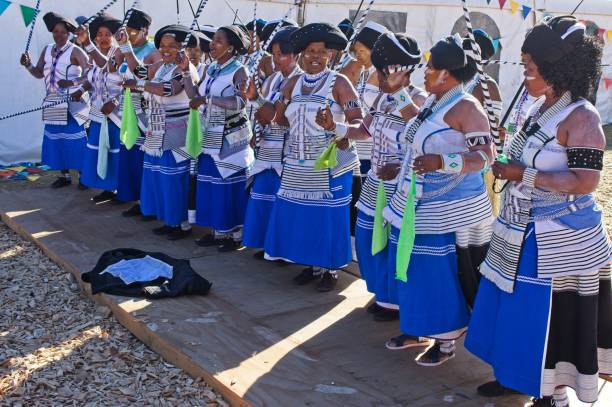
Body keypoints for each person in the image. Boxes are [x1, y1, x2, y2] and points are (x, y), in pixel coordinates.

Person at [465, 16, 612, 407]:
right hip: (518, 227)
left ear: (556, 66)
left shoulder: (581, 116)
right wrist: (510, 156)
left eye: (530, 64)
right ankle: (514, 375)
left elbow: (585, 181)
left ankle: (550, 392)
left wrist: (522, 173)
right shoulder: (540, 107)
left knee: (543, 319)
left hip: (557, 235)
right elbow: (532, 157)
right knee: (511, 309)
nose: (525, 69)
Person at [382, 34, 494, 365]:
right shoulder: (435, 102)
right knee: (413, 267)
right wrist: (396, 90)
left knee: (437, 272)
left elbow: (486, 156)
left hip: (450, 207)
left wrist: (442, 163)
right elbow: (415, 124)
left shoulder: (467, 107)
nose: (425, 74)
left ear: (446, 73)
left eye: (430, 69)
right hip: (416, 199)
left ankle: (445, 340)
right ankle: (417, 325)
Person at [263, 23, 362, 292]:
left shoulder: (340, 83)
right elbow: (280, 119)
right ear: (300, 55)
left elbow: (361, 126)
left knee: (328, 219)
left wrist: (334, 127)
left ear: (330, 55)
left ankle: (329, 270)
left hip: (331, 164)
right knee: (302, 216)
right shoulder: (292, 83)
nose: (314, 57)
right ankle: (310, 263)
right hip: (297, 161)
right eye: (309, 52)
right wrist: (256, 101)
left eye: (320, 52)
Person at [352, 32, 428, 324]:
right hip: (375, 180)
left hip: (401, 185)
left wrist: (399, 167)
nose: (378, 75)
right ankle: (381, 293)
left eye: (383, 70)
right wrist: (334, 128)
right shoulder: (382, 99)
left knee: (393, 243)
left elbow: (422, 139)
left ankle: (394, 302)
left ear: (402, 72)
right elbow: (364, 132)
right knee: (368, 237)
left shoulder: (420, 100)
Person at [122, 24, 200, 240]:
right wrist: (125, 48)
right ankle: (168, 220)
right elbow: (139, 71)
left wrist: (138, 84)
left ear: (181, 49)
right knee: (158, 177)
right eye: (163, 46)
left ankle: (181, 224)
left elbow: (169, 90)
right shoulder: (162, 65)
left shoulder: (186, 70)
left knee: (175, 180)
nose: (165, 50)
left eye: (172, 47)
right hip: (156, 130)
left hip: (177, 133)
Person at [183, 26, 253, 252]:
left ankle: (234, 235)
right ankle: (217, 230)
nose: (212, 44)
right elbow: (194, 96)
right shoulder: (211, 68)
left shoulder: (239, 71)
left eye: (218, 41)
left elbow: (242, 102)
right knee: (210, 185)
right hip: (208, 135)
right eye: (213, 40)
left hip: (230, 138)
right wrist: (185, 72)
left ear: (231, 47)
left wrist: (208, 100)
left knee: (228, 186)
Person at [242, 27, 301, 256]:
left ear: (295, 54)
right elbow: (262, 109)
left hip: (287, 152)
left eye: (281, 54)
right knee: (264, 199)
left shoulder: (300, 81)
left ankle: (283, 250)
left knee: (281, 203)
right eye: (274, 54)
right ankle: (268, 245)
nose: (276, 60)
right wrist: (256, 108)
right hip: (267, 149)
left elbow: (287, 118)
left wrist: (267, 113)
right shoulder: (273, 79)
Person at [20, 12, 90, 189]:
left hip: (73, 101)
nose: (59, 35)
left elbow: (92, 75)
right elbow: (38, 73)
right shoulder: (47, 49)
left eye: (63, 32)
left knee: (75, 141)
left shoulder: (76, 51)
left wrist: (73, 82)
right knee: (56, 140)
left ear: (69, 34)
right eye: (56, 31)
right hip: (53, 100)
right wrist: (27, 65)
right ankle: (64, 175)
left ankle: (84, 176)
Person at [113, 9, 162, 218]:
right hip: (128, 108)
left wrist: (137, 85)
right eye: (127, 31)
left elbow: (150, 78)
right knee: (130, 155)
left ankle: (148, 202)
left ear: (146, 30)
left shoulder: (153, 52)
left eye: (133, 31)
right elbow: (111, 66)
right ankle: (136, 198)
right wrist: (120, 48)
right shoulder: (125, 47)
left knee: (144, 158)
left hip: (147, 111)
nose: (130, 35)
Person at [75, 14, 123, 202]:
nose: (103, 37)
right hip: (97, 113)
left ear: (113, 37)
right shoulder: (92, 57)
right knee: (99, 149)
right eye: (100, 34)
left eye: (107, 34)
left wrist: (115, 103)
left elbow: (122, 82)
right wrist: (80, 89)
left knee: (115, 151)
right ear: (95, 37)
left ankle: (121, 190)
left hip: (116, 114)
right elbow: (91, 80)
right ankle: (107, 188)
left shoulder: (119, 54)